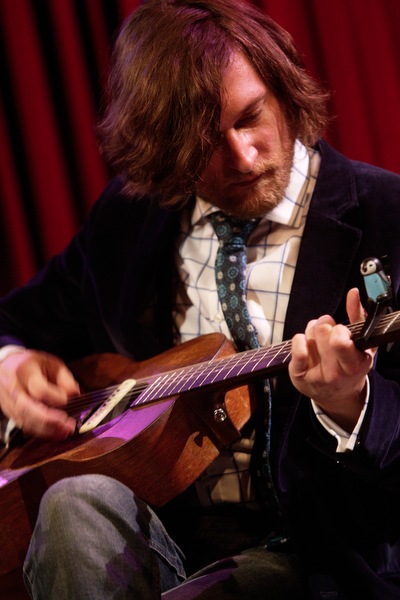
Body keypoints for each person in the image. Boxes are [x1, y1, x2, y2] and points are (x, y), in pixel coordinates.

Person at [0, 0, 400, 598]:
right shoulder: (130, 222)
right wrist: (10, 366)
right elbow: (16, 320)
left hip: (317, 556)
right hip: (162, 543)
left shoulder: (386, 216)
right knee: (71, 503)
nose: (243, 156)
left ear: (282, 90)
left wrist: (351, 403)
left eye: (250, 116)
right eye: (205, 142)